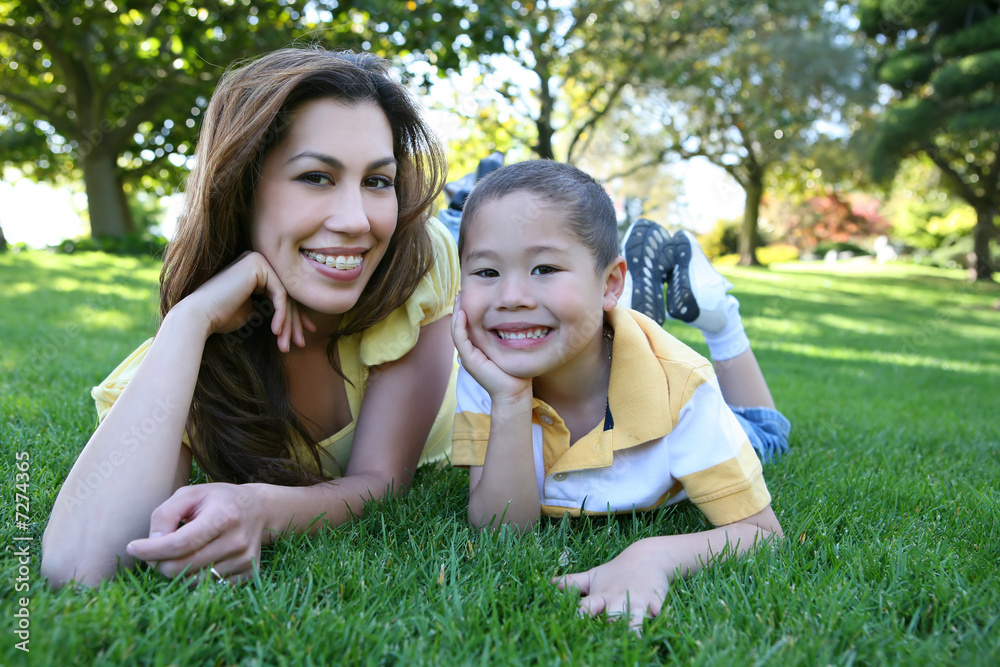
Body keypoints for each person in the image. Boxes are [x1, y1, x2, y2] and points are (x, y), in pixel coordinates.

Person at [42, 47, 459, 588]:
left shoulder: (415, 257)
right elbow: (77, 568)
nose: (358, 221)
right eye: (316, 177)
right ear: (240, 186)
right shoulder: (179, 370)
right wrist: (190, 320)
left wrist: (258, 509)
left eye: (377, 181)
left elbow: (381, 482)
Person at [449, 159, 788, 630]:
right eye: (485, 272)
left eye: (544, 267)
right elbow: (503, 530)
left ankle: (720, 316)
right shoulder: (490, 367)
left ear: (609, 283)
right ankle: (637, 308)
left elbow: (762, 534)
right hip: (593, 342)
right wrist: (509, 399)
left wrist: (654, 556)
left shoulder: (684, 389)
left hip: (682, 409)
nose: (511, 296)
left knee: (767, 432)